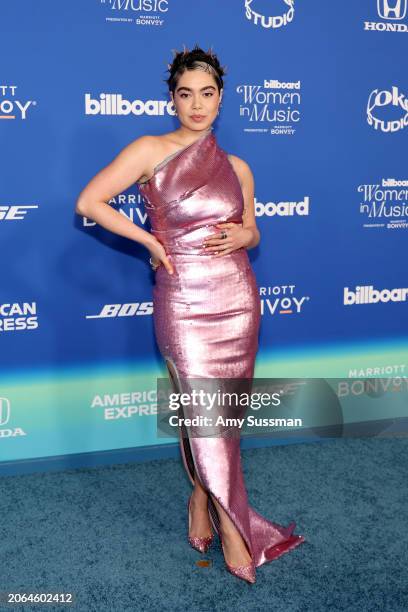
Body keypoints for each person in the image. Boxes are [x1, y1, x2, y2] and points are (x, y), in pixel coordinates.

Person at [75, 44, 305, 584]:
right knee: (204, 418)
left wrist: (243, 234)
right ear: (172, 99)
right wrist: (151, 242)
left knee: (223, 420)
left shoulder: (238, 167)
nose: (197, 105)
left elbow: (253, 230)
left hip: (238, 299)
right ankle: (232, 528)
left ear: (221, 99)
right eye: (186, 94)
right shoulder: (150, 149)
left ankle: (200, 501)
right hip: (183, 302)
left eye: (207, 94)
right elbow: (90, 202)